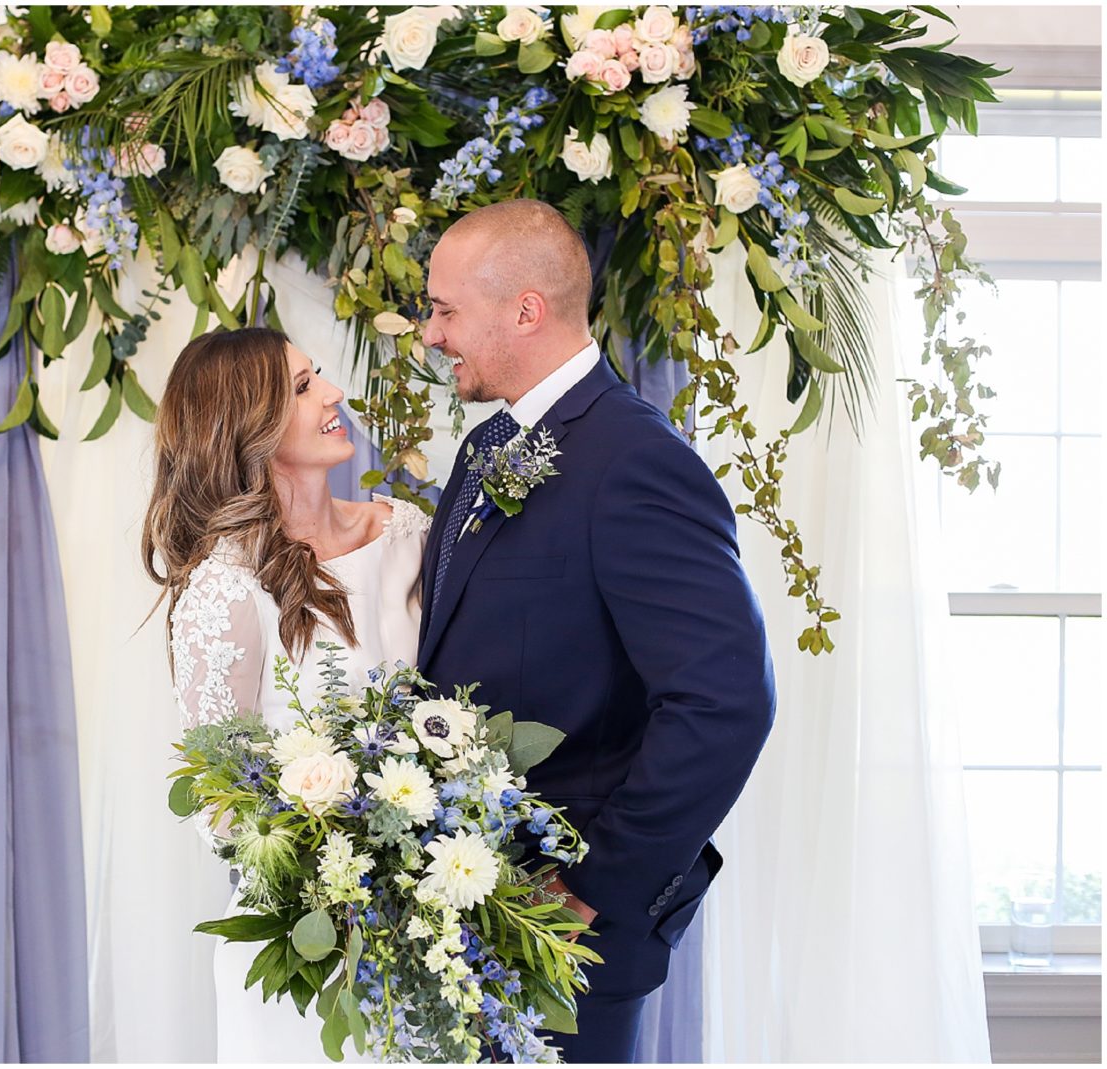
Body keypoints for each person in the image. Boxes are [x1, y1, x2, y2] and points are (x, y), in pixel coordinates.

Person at [417, 199, 777, 1062]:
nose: (430, 334)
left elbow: (725, 701)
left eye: (444, 309)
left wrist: (591, 887)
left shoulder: (635, 459)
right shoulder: (486, 448)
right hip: (473, 912)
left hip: (565, 937)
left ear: (525, 310)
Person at [141, 326, 429, 1063]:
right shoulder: (225, 588)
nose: (333, 395)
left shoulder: (409, 536)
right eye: (302, 388)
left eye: (318, 377)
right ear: (248, 426)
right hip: (305, 959)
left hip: (431, 931)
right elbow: (223, 808)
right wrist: (345, 869)